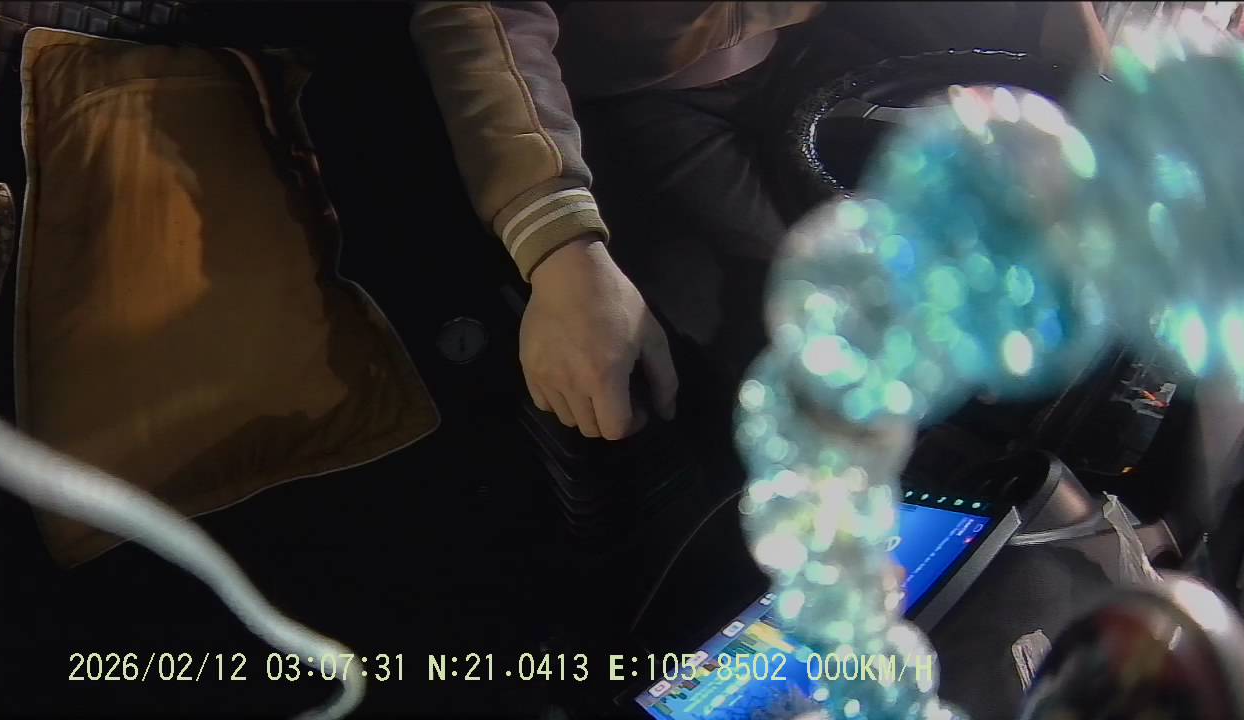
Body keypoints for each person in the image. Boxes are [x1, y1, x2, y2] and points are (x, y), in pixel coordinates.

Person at [411, 2, 1105, 441]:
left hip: (820, 43)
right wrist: (561, 252)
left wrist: (1091, 93)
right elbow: (478, 16)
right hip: (626, 102)